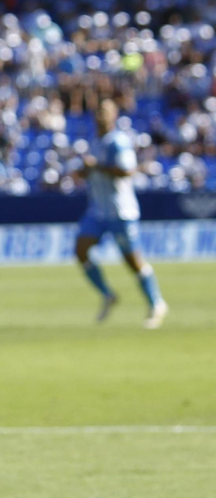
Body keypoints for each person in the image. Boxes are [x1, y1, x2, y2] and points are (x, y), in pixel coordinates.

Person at [74, 99, 168, 328]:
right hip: (98, 209)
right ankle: (108, 294)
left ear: (114, 115)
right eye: (98, 111)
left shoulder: (119, 141)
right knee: (81, 249)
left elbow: (127, 171)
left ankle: (157, 303)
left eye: (104, 111)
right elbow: (89, 172)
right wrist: (85, 170)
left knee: (132, 261)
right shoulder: (95, 141)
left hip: (120, 210)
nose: (99, 115)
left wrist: (96, 166)